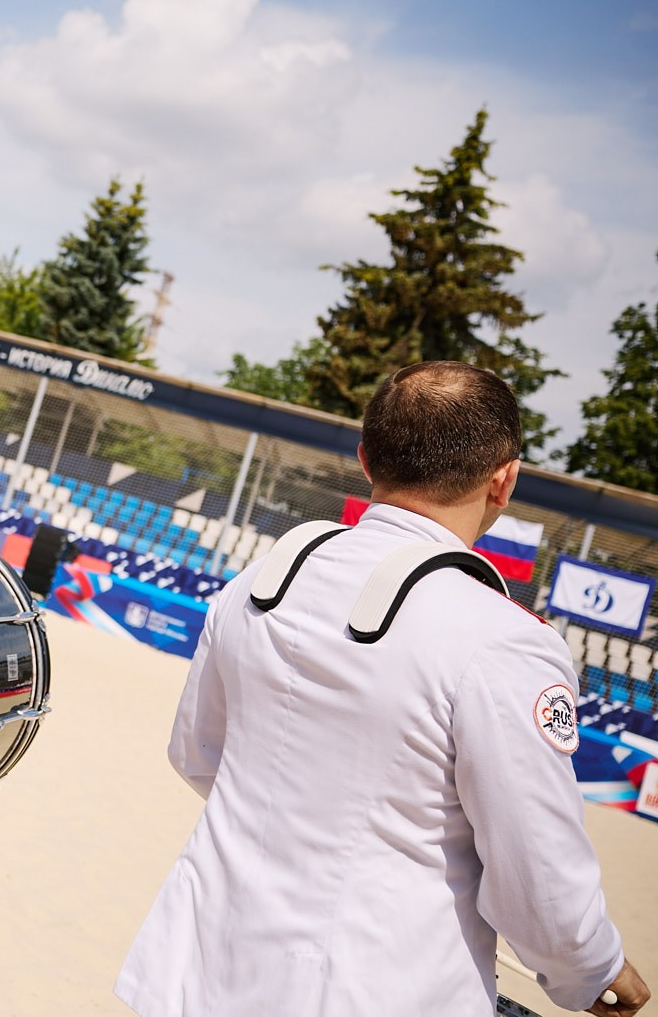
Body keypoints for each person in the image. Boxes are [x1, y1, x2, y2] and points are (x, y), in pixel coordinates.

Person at [116, 361, 648, 1017]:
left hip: (196, 971)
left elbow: (196, 755)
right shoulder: (505, 640)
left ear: (367, 459)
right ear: (504, 480)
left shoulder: (264, 580)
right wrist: (593, 967)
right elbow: (539, 882)